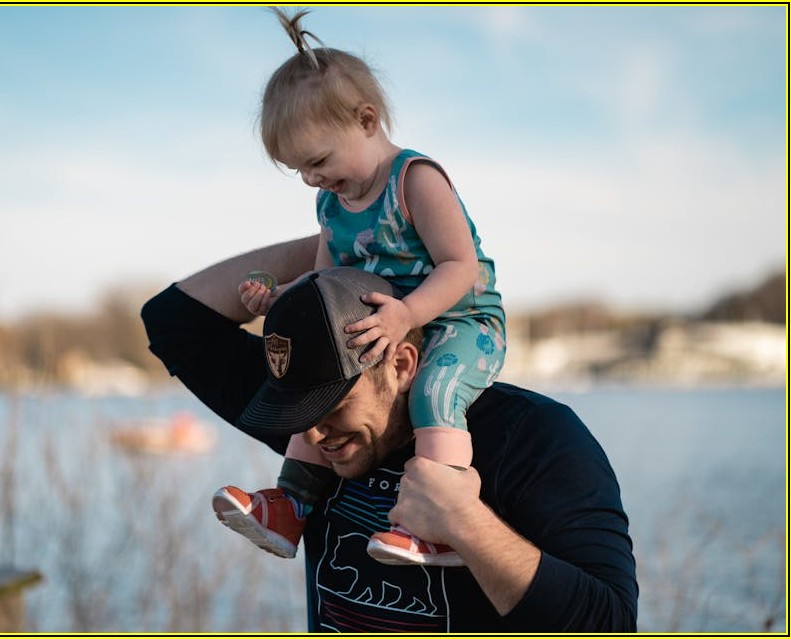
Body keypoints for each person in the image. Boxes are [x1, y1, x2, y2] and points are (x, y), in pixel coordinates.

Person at [140, 238, 638, 632]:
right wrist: (349, 236)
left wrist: (465, 524)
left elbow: (611, 625)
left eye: (331, 407)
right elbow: (173, 321)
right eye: (297, 410)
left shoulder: (535, 438)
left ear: (400, 365)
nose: (311, 432)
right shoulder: (317, 441)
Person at [217, 6, 507, 567]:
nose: (313, 178)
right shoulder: (331, 204)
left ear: (367, 121)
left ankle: (442, 524)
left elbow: (460, 266)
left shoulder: (415, 181)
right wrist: (281, 294)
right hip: (388, 327)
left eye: (318, 160)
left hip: (461, 323)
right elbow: (327, 279)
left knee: (433, 392)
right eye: (300, 169)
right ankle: (291, 506)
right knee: (315, 381)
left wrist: (407, 313)